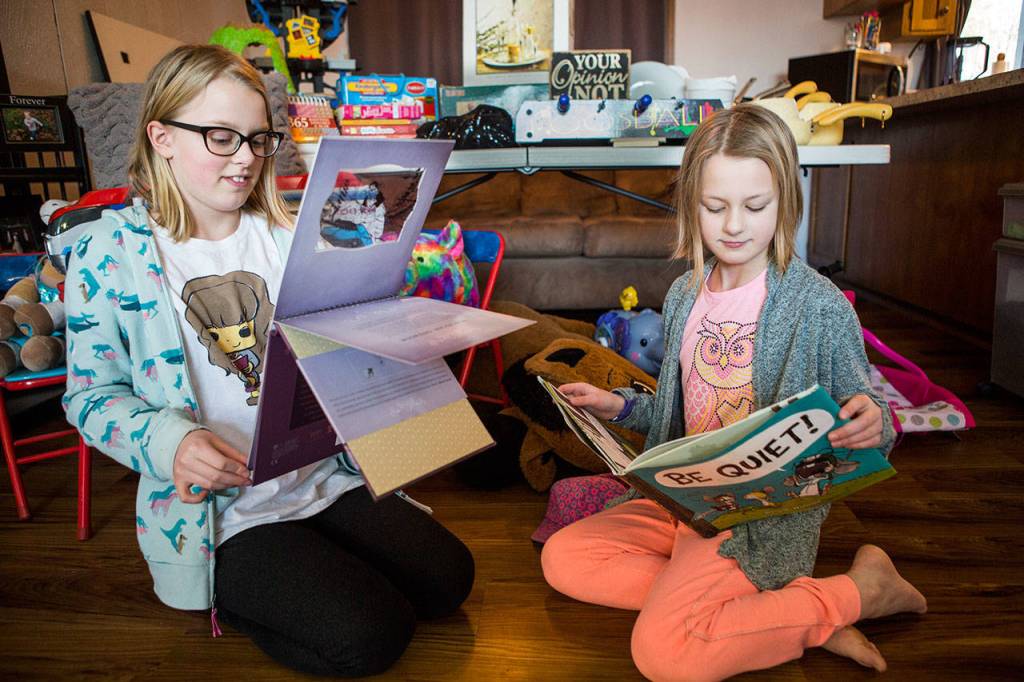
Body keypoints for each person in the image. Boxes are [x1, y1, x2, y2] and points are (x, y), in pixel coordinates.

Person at [62, 45, 473, 677]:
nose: (248, 158)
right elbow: (90, 396)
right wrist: (171, 440)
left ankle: (311, 561)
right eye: (223, 137)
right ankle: (234, 592)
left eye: (259, 139)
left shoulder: (288, 235)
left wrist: (392, 327)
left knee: (449, 581)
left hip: (320, 477)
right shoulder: (103, 254)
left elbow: (346, 342)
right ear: (161, 136)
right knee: (371, 636)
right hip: (223, 515)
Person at [540, 105, 926, 681]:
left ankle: (858, 593)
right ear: (691, 203)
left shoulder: (817, 307)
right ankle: (782, 614)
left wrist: (872, 421)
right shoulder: (683, 295)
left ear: (785, 203)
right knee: (563, 558)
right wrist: (619, 406)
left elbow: (871, 421)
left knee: (663, 654)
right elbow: (679, 421)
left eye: (756, 206)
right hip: (686, 507)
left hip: (756, 523)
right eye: (715, 207)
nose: (734, 226)